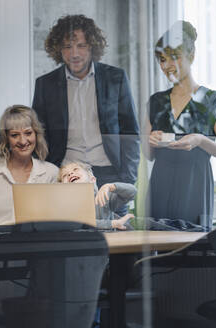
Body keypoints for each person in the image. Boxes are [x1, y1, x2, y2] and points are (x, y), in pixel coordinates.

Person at [32, 14, 140, 211]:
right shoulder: (45, 85)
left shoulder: (115, 78)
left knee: (114, 233)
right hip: (65, 175)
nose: (74, 53)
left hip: (109, 174)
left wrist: (127, 179)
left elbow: (130, 132)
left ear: (92, 46)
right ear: (58, 49)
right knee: (68, 235)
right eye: (67, 46)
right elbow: (39, 136)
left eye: (81, 46)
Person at [144, 21, 216, 229]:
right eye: (162, 59)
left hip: (195, 183)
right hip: (161, 180)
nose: (166, 66)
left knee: (192, 249)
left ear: (191, 56)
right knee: (158, 246)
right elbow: (149, 155)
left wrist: (200, 140)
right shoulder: (155, 101)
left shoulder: (214, 100)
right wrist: (151, 140)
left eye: (173, 57)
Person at [58, 161, 136, 230]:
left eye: (75, 169)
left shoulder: (103, 197)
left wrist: (110, 186)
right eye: (64, 175)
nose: (70, 173)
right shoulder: (65, 205)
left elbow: (132, 192)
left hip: (108, 241)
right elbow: (80, 222)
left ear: (92, 179)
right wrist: (112, 224)